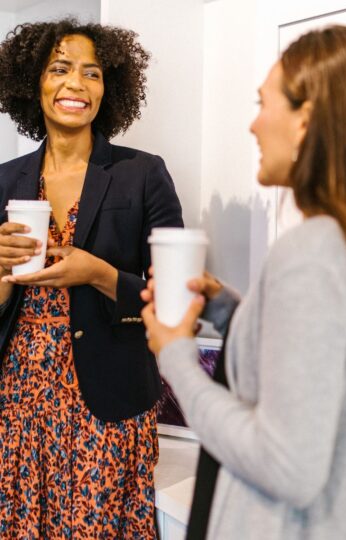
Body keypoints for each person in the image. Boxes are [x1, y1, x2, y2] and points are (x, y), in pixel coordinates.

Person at [141, 24, 346, 540]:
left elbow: (288, 465)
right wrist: (230, 310)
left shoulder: (310, 253)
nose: (253, 126)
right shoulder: (342, 246)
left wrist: (176, 357)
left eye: (264, 104)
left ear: (304, 121)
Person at [0, 18, 183, 538]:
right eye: (60, 69)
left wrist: (99, 274)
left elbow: (173, 298)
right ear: (33, 82)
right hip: (18, 397)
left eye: (93, 73)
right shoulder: (4, 179)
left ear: (110, 87)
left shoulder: (143, 173)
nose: (76, 85)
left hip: (107, 394)